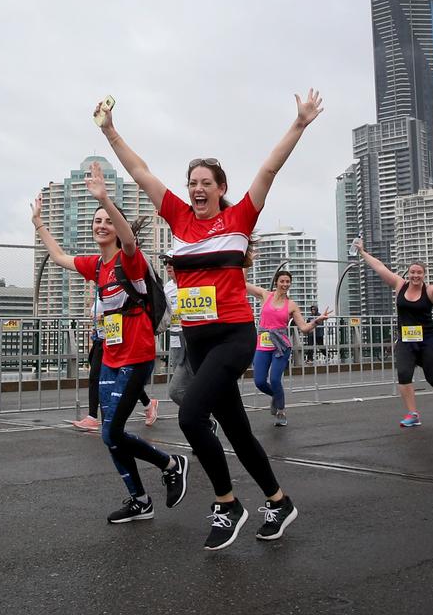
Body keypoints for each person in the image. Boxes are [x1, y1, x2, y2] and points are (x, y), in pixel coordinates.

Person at [97, 89, 322, 550]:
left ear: (220, 187)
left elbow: (269, 169)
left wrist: (299, 123)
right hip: (197, 343)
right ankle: (279, 501)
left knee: (192, 415)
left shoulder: (240, 217)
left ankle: (226, 503)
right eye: (192, 182)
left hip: (233, 337)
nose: (197, 189)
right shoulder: (179, 218)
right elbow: (141, 173)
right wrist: (109, 131)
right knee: (237, 431)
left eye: (206, 182)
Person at [32, 162, 188, 523]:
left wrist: (104, 197)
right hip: (111, 357)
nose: (101, 225)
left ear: (116, 229)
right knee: (109, 434)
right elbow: (58, 257)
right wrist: (39, 222)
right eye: (97, 221)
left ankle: (170, 463)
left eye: (107, 220)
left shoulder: (127, 262)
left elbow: (131, 241)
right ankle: (139, 500)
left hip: (136, 356)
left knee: (113, 429)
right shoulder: (97, 266)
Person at [353, 240, 433, 427]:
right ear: (408, 273)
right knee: (403, 373)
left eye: (419, 272)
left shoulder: (431, 290)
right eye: (412, 272)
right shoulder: (399, 285)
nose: (415, 275)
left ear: (424, 274)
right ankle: (413, 413)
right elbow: (379, 267)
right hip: (405, 338)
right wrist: (362, 252)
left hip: (427, 339)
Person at [246, 272, 331, 426]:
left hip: (281, 346)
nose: (285, 284)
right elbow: (242, 284)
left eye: (288, 282)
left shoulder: (291, 305)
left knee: (274, 379)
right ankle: (276, 396)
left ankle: (281, 411)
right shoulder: (265, 295)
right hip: (263, 344)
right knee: (259, 381)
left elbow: (304, 328)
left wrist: (317, 321)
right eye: (282, 281)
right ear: (276, 282)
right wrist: (244, 263)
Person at [72, 283, 158, 431]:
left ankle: (148, 404)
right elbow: (96, 313)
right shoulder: (101, 292)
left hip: (116, 342)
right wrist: (96, 320)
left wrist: (106, 317)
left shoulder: (123, 290)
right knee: (95, 377)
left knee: (124, 381)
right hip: (101, 340)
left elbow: (124, 312)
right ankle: (93, 417)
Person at [162, 254, 218, 439]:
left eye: (172, 262)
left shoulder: (197, 282)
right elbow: (165, 315)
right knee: (175, 391)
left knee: (199, 387)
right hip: (179, 344)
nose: (168, 266)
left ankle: (202, 424)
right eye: (166, 263)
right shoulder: (168, 288)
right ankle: (205, 421)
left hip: (198, 342)